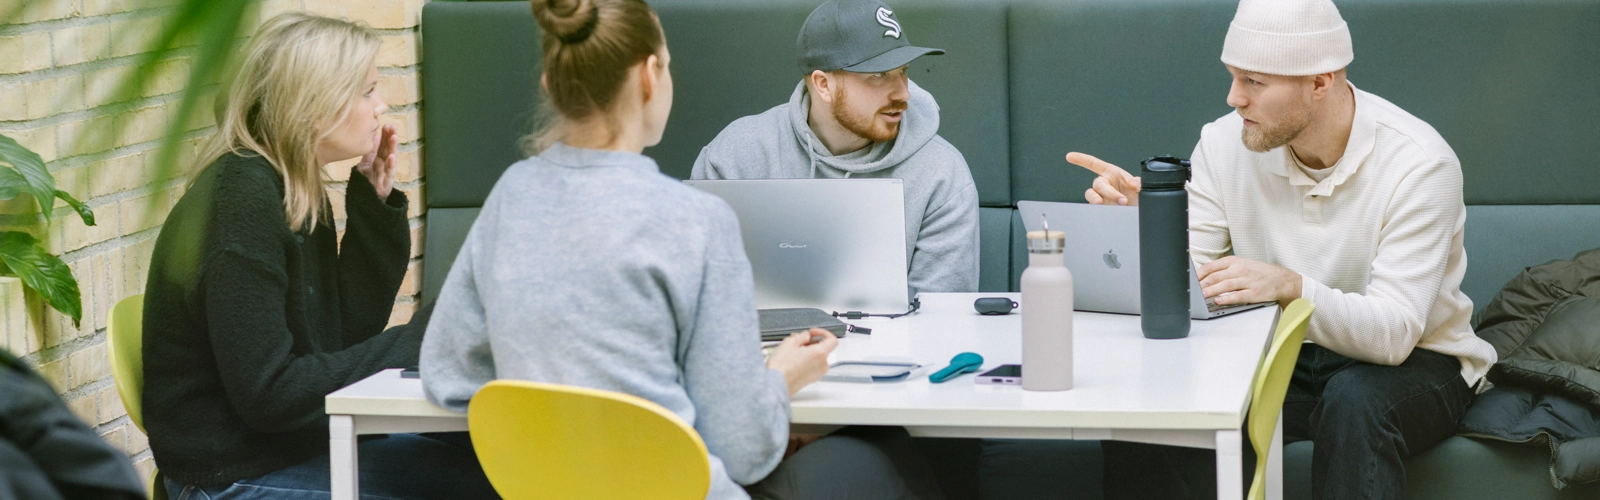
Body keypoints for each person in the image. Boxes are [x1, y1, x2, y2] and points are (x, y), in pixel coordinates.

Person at [420, 0, 944, 499]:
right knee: (892, 465)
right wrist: (778, 379)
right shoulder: (697, 220)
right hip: (682, 491)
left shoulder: (510, 196)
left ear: (549, 83)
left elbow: (450, 375)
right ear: (651, 77)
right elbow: (743, 453)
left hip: (541, 490)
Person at [1068, 0, 1497, 498]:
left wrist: (1290, 287)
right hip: (1276, 355)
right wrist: (1145, 226)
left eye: (1254, 81)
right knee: (1144, 411)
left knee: (1355, 402)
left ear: (1320, 82)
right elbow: (1191, 282)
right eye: (1233, 77)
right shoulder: (1224, 144)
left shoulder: (1420, 163)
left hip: (1415, 364)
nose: (1234, 98)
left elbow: (1394, 335)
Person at [141, 13, 496, 500]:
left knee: (495, 468)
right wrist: (424, 338)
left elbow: (338, 342)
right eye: (367, 92)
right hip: (226, 477)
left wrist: (372, 208)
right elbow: (271, 394)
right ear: (313, 107)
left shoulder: (295, 188)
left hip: (291, 448)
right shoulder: (240, 202)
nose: (381, 107)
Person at [690, 0, 980, 296]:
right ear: (823, 85)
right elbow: (698, 292)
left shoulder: (942, 174)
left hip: (897, 331)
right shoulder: (734, 156)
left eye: (903, 70)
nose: (903, 92)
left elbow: (939, 316)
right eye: (878, 75)